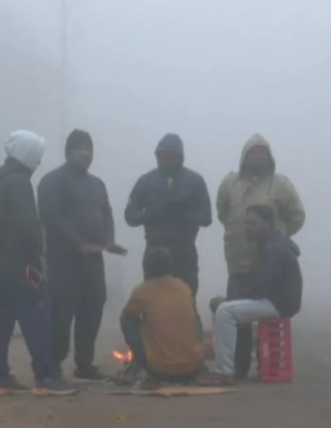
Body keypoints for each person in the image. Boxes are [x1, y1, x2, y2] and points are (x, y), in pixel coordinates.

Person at [0, 130, 77, 397]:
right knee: (37, 316)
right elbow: (28, 226)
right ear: (27, 154)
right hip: (20, 265)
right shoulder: (19, 183)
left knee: (0, 321)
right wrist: (38, 254)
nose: (38, 162)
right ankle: (45, 377)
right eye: (37, 156)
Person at [37, 129, 127, 381]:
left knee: (93, 308)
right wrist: (79, 244)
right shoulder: (52, 182)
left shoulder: (97, 185)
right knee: (62, 312)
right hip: (63, 260)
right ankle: (54, 364)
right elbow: (51, 218)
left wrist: (109, 241)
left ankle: (84, 363)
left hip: (93, 260)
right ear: (68, 152)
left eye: (89, 148)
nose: (85, 153)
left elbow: (107, 214)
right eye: (79, 148)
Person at [215, 133, 305, 379]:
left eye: (262, 153)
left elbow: (297, 216)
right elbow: (222, 212)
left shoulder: (280, 184)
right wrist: (238, 231)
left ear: (269, 158)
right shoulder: (230, 183)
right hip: (237, 259)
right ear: (244, 156)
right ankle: (238, 367)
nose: (257, 157)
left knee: (237, 308)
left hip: (266, 262)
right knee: (238, 318)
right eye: (253, 152)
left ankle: (262, 365)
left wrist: (280, 236)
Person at [200, 204, 303, 386]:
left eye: (253, 223)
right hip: (272, 300)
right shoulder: (269, 244)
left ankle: (225, 372)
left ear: (267, 224)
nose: (248, 227)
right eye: (246, 223)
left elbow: (261, 287)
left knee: (225, 311)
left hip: (279, 304)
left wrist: (229, 300)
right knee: (221, 308)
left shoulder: (274, 249)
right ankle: (227, 366)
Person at [124, 133, 212, 299]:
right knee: (154, 301)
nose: (169, 160)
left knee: (186, 300)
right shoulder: (146, 181)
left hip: (184, 251)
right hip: (155, 251)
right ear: (158, 157)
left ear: (181, 157)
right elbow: (130, 217)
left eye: (173, 156)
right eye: (165, 156)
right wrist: (156, 212)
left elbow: (207, 218)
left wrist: (183, 211)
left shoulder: (195, 181)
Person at [120, 247, 204, 385]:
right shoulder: (184, 287)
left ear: (146, 268)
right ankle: (193, 354)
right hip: (193, 365)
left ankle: (142, 361)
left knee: (128, 319)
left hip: (160, 369)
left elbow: (127, 317)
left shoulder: (142, 290)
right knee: (194, 317)